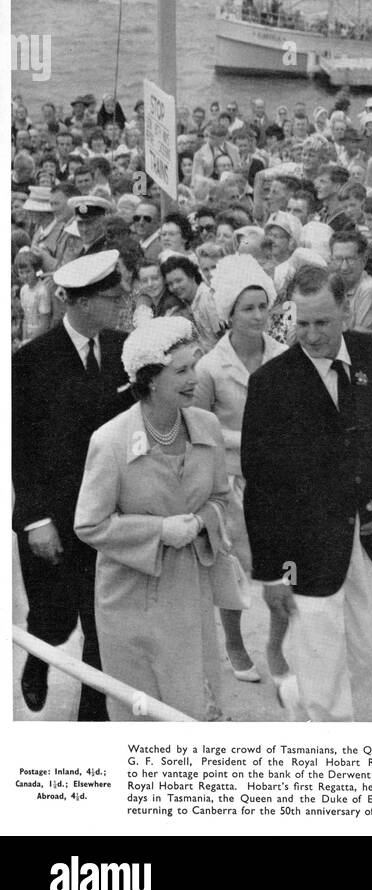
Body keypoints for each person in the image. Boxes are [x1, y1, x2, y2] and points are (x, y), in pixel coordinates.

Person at [241, 264, 372, 721]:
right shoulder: (271, 383)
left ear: (345, 310)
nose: (312, 334)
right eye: (302, 323)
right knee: (325, 672)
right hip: (306, 547)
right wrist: (275, 572)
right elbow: (261, 486)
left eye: (322, 322)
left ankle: (296, 695)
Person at [74, 318, 231, 720]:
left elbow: (220, 497)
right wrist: (160, 530)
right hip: (131, 599)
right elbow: (89, 524)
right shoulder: (110, 441)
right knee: (139, 717)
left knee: (191, 709)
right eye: (181, 371)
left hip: (189, 593)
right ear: (150, 380)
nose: (194, 378)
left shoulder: (206, 426)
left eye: (194, 366)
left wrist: (199, 522)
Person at [12, 250, 130, 719]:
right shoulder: (32, 361)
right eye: (111, 297)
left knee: (102, 623)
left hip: (110, 516)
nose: (120, 304)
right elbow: (19, 448)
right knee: (54, 619)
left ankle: (92, 718)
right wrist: (36, 520)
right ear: (81, 304)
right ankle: (39, 658)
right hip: (55, 518)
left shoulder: (125, 349)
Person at [193, 255, 288, 682]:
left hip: (279, 481)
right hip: (230, 484)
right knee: (232, 568)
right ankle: (233, 641)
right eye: (246, 309)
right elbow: (198, 426)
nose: (256, 316)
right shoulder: (210, 366)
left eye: (261, 306)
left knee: (287, 567)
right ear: (229, 314)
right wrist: (245, 441)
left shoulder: (286, 357)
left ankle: (278, 644)